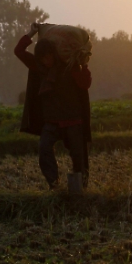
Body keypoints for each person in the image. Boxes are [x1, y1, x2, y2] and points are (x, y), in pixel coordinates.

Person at [14, 23, 92, 190]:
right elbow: (18, 51)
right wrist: (31, 33)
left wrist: (84, 65)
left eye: (48, 56)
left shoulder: (70, 67)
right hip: (52, 122)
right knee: (44, 150)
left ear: (54, 54)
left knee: (79, 157)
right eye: (42, 58)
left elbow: (85, 84)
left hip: (73, 120)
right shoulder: (39, 67)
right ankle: (54, 185)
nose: (45, 61)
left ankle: (79, 189)